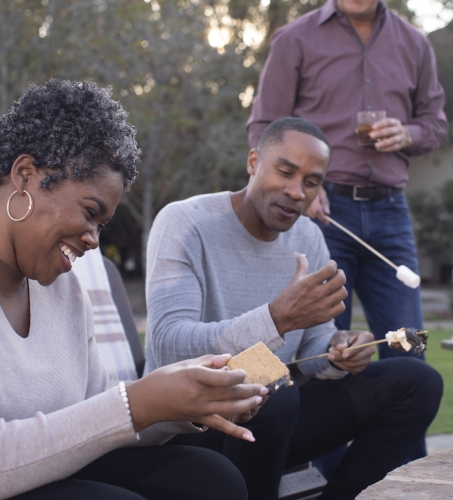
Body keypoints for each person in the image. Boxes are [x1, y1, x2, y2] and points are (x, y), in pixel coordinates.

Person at [145, 117, 443, 500]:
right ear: (253, 162)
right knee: (272, 383)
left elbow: (313, 348)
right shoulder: (185, 222)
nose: (296, 191)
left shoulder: (309, 237)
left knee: (418, 381)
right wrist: (276, 319)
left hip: (274, 417)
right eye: (285, 171)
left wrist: (339, 349)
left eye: (311, 181)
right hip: (192, 424)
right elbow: (169, 344)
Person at [0, 79, 269, 500]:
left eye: (101, 225)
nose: (93, 238)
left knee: (212, 479)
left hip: (53, 478)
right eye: (90, 213)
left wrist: (182, 402)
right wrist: (136, 402)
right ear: (25, 175)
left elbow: (99, 420)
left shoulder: (66, 293)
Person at [247, 0, 448, 362]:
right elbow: (264, 128)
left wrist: (408, 133)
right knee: (327, 353)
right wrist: (304, 187)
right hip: (321, 214)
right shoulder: (294, 39)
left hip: (391, 211)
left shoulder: (415, 43)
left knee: (410, 350)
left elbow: (435, 124)